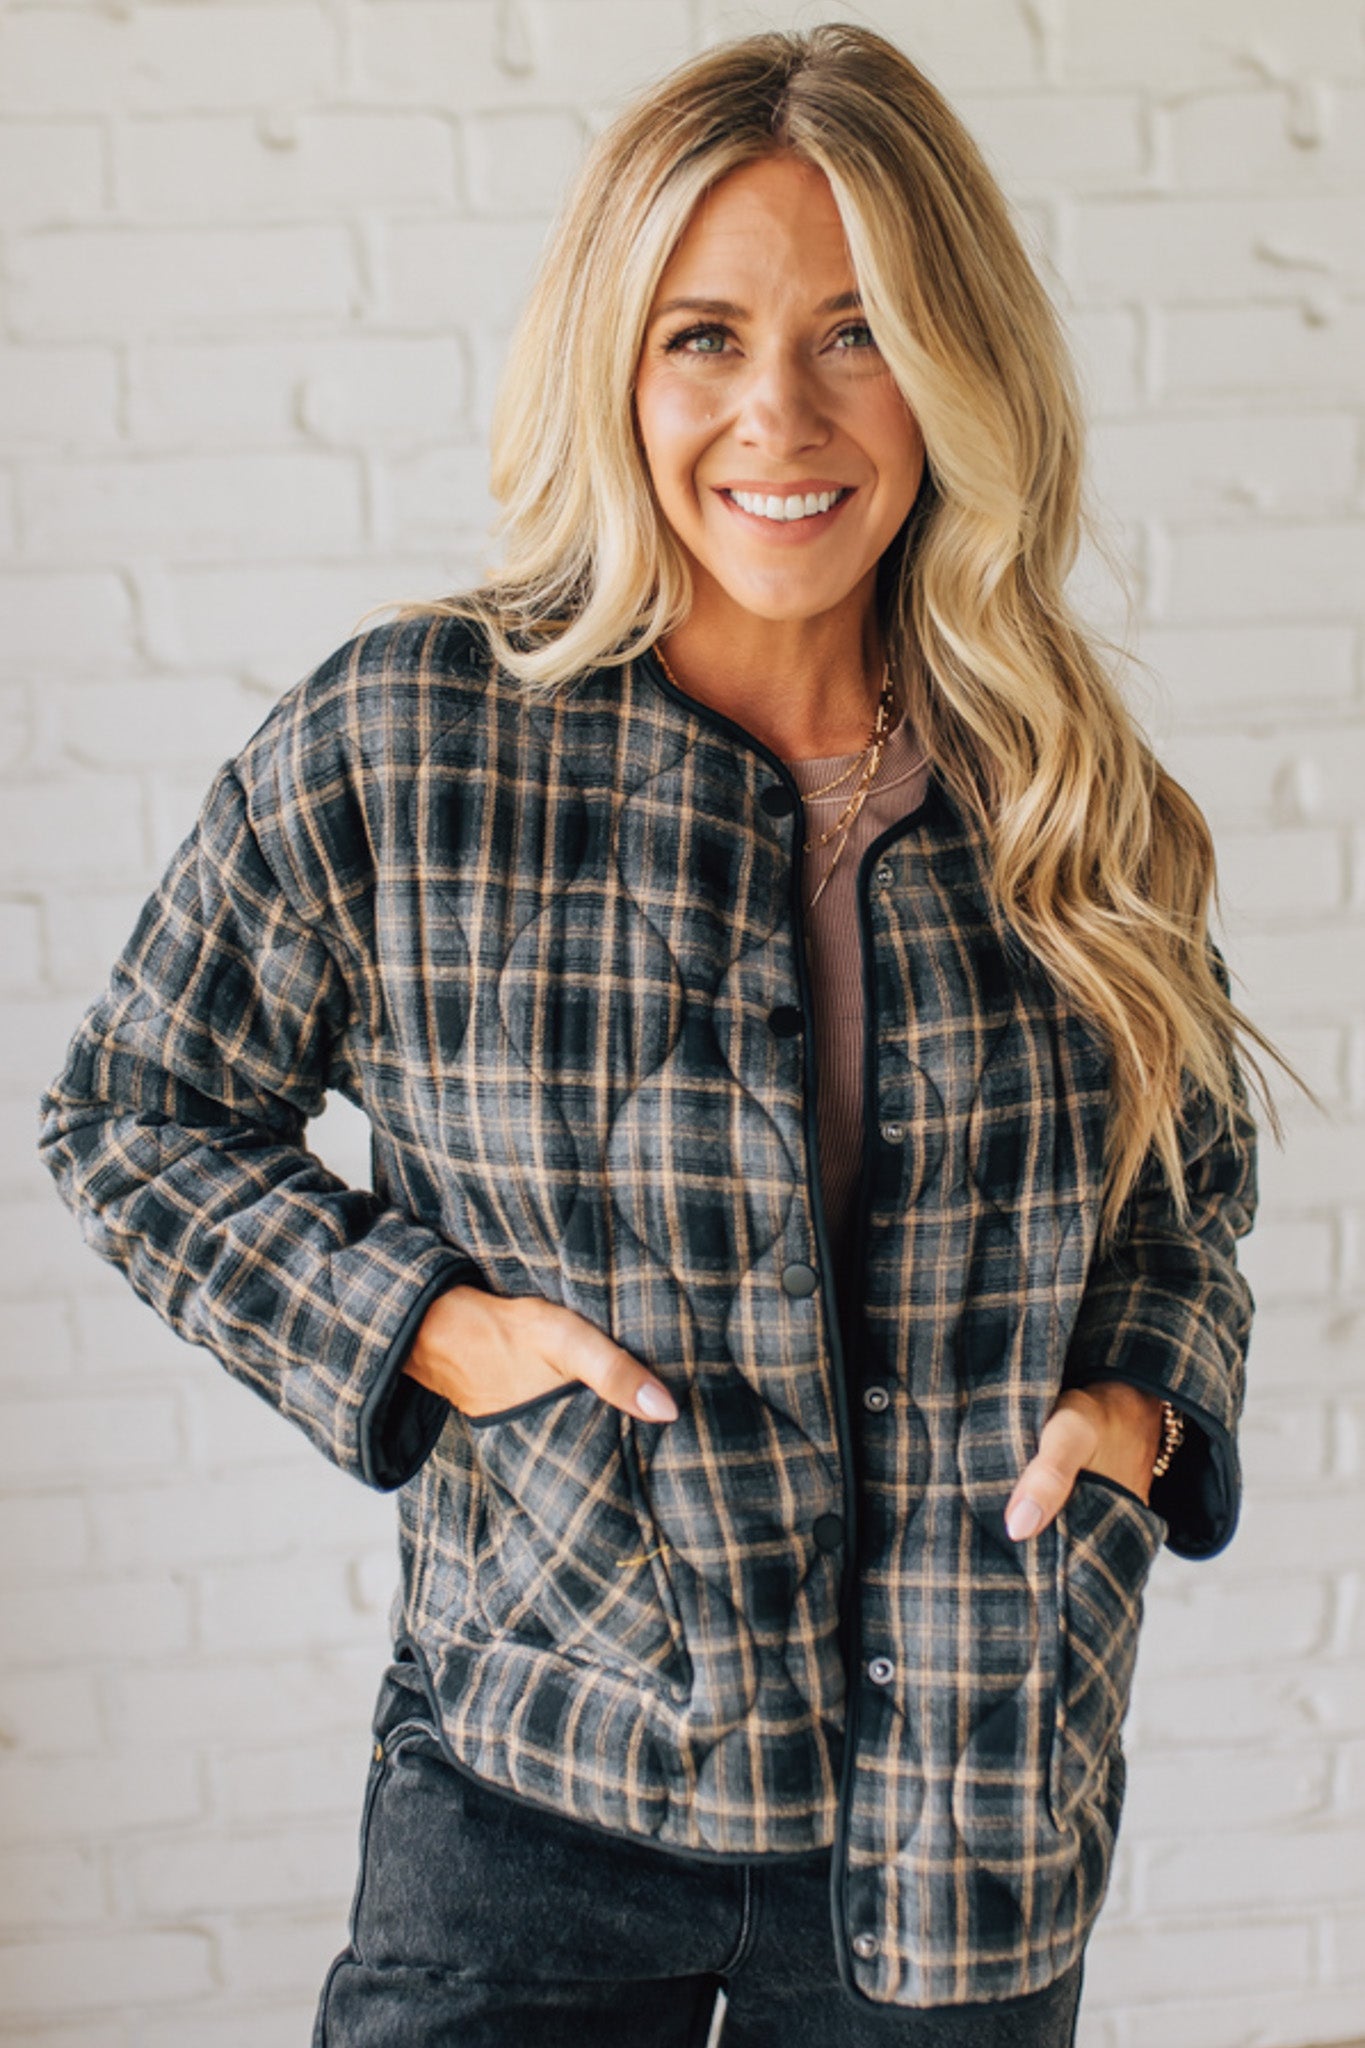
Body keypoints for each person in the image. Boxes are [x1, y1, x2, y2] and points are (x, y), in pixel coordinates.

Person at [36, 22, 1302, 2048]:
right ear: (613, 365)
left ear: (953, 361)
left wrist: (1138, 1416)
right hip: (532, 1779)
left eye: (856, 330)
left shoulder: (1069, 794)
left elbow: (1183, 1197)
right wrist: (425, 1331)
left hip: (962, 1800)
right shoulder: (408, 739)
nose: (775, 413)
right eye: (702, 336)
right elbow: (135, 1115)